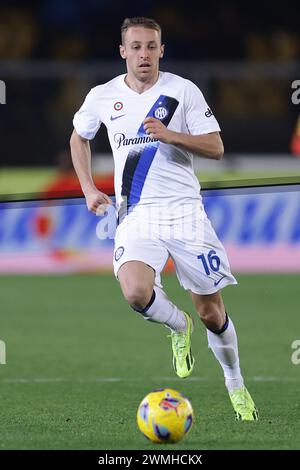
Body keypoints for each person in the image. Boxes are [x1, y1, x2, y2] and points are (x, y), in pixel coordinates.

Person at [70, 16, 258, 421]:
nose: (144, 54)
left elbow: (216, 147)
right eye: (135, 47)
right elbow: (79, 137)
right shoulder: (103, 96)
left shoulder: (182, 90)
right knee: (136, 293)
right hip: (136, 214)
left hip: (186, 213)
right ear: (123, 51)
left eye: (151, 46)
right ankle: (178, 327)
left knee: (213, 312)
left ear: (161, 50)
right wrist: (87, 187)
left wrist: (172, 135)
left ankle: (236, 383)